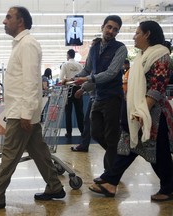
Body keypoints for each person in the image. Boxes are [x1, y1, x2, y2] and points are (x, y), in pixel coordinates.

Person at [0, 6, 65, 212]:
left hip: (20, 113)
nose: (4, 22)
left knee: (9, 155)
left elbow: (31, 82)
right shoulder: (21, 45)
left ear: (20, 21)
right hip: (21, 111)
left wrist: (25, 114)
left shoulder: (27, 45)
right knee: (39, 151)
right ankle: (55, 186)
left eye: (8, 17)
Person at [88, 21, 173, 202]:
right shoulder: (143, 56)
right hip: (138, 112)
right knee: (129, 147)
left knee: (157, 152)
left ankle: (167, 187)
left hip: (153, 115)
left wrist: (143, 111)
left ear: (147, 34)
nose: (134, 36)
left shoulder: (161, 56)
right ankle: (111, 180)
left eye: (137, 33)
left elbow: (157, 88)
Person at [69, 15, 128, 173]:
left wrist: (86, 80)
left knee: (111, 136)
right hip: (98, 97)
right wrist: (73, 79)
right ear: (103, 27)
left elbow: (111, 73)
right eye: (109, 27)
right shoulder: (94, 48)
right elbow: (87, 69)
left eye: (115, 29)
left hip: (112, 98)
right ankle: (116, 157)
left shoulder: (120, 48)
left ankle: (109, 174)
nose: (111, 31)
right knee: (95, 132)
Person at [60, 49, 84, 138]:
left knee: (68, 112)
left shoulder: (65, 65)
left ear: (68, 55)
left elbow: (61, 79)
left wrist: (66, 80)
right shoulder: (80, 65)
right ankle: (82, 131)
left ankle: (69, 132)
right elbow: (83, 77)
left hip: (68, 90)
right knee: (79, 112)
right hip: (78, 89)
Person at [71, 82, 95, 152]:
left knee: (95, 127)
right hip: (95, 96)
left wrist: (82, 89)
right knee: (87, 121)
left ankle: (112, 149)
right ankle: (84, 145)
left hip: (102, 96)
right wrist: (74, 79)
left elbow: (94, 79)